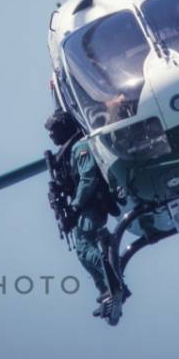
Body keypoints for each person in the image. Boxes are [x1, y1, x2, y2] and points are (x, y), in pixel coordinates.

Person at [44, 108, 123, 322]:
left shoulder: (80, 147)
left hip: (93, 205)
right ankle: (106, 289)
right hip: (85, 207)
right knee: (82, 249)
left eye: (53, 131)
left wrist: (75, 206)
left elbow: (88, 178)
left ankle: (112, 283)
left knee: (84, 246)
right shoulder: (68, 154)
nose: (51, 137)